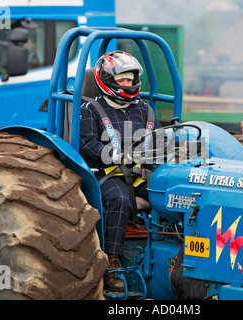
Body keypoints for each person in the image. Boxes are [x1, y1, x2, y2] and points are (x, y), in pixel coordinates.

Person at [79, 51, 162, 292]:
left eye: (130, 79)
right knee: (120, 199)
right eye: (122, 80)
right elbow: (86, 145)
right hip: (107, 175)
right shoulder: (90, 109)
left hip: (141, 175)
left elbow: (158, 140)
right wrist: (118, 155)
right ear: (107, 79)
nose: (128, 84)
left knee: (172, 195)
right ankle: (111, 263)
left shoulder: (145, 109)